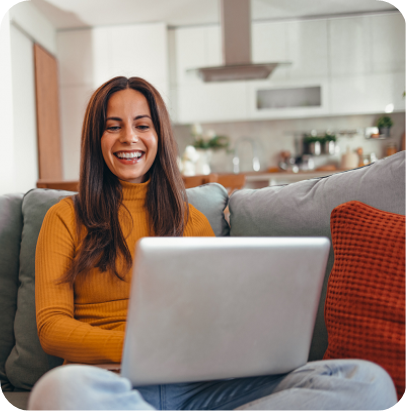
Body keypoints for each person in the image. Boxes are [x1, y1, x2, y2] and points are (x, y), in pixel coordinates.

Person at [28, 77, 399, 411]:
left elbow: (218, 317)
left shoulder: (190, 220)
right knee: (58, 391)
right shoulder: (65, 217)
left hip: (202, 389)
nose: (129, 138)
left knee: (367, 383)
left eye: (143, 125)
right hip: (111, 383)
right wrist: (141, 347)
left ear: (160, 136)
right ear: (97, 139)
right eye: (113, 127)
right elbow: (51, 327)